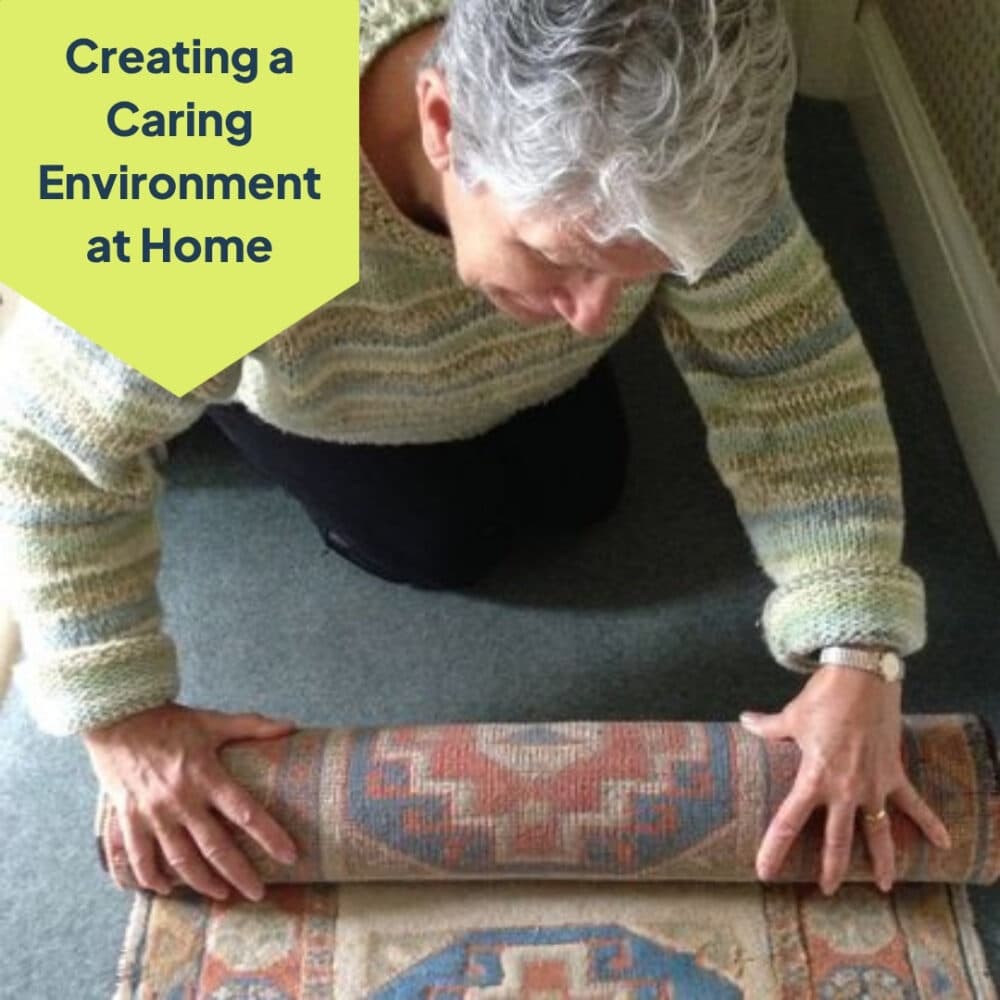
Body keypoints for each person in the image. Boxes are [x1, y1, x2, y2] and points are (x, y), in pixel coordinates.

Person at [0, 0, 951, 907]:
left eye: (642, 275)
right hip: (229, 245)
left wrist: (859, 650)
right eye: (561, 258)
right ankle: (145, 338)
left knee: (580, 485)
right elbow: (37, 451)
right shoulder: (222, 179)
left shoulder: (688, 124)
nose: (598, 316)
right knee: (436, 538)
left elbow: (788, 371)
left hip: (411, 290)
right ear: (444, 122)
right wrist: (121, 718)